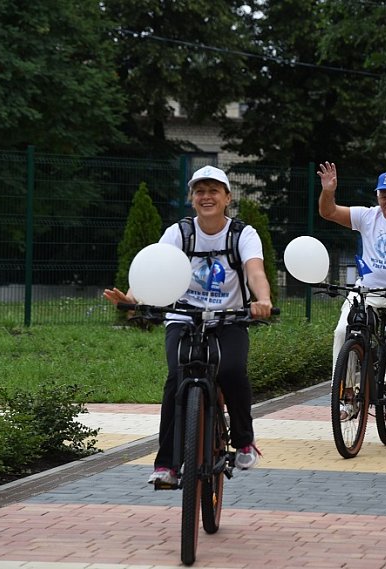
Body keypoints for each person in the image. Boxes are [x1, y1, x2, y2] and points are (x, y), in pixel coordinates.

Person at [103, 165, 273, 486]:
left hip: (230, 318)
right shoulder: (179, 233)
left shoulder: (242, 234)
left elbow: (255, 272)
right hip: (184, 317)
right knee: (175, 379)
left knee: (232, 371)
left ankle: (244, 440)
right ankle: (166, 465)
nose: (206, 197)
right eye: (199, 191)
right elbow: (155, 269)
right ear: (192, 199)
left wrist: (261, 299)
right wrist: (132, 298)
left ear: (227, 197)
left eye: (213, 191)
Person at [317, 161, 386, 404]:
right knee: (341, 331)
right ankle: (345, 392)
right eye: (384, 196)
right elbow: (328, 212)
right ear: (377, 196)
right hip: (367, 290)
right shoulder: (367, 216)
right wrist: (328, 191)